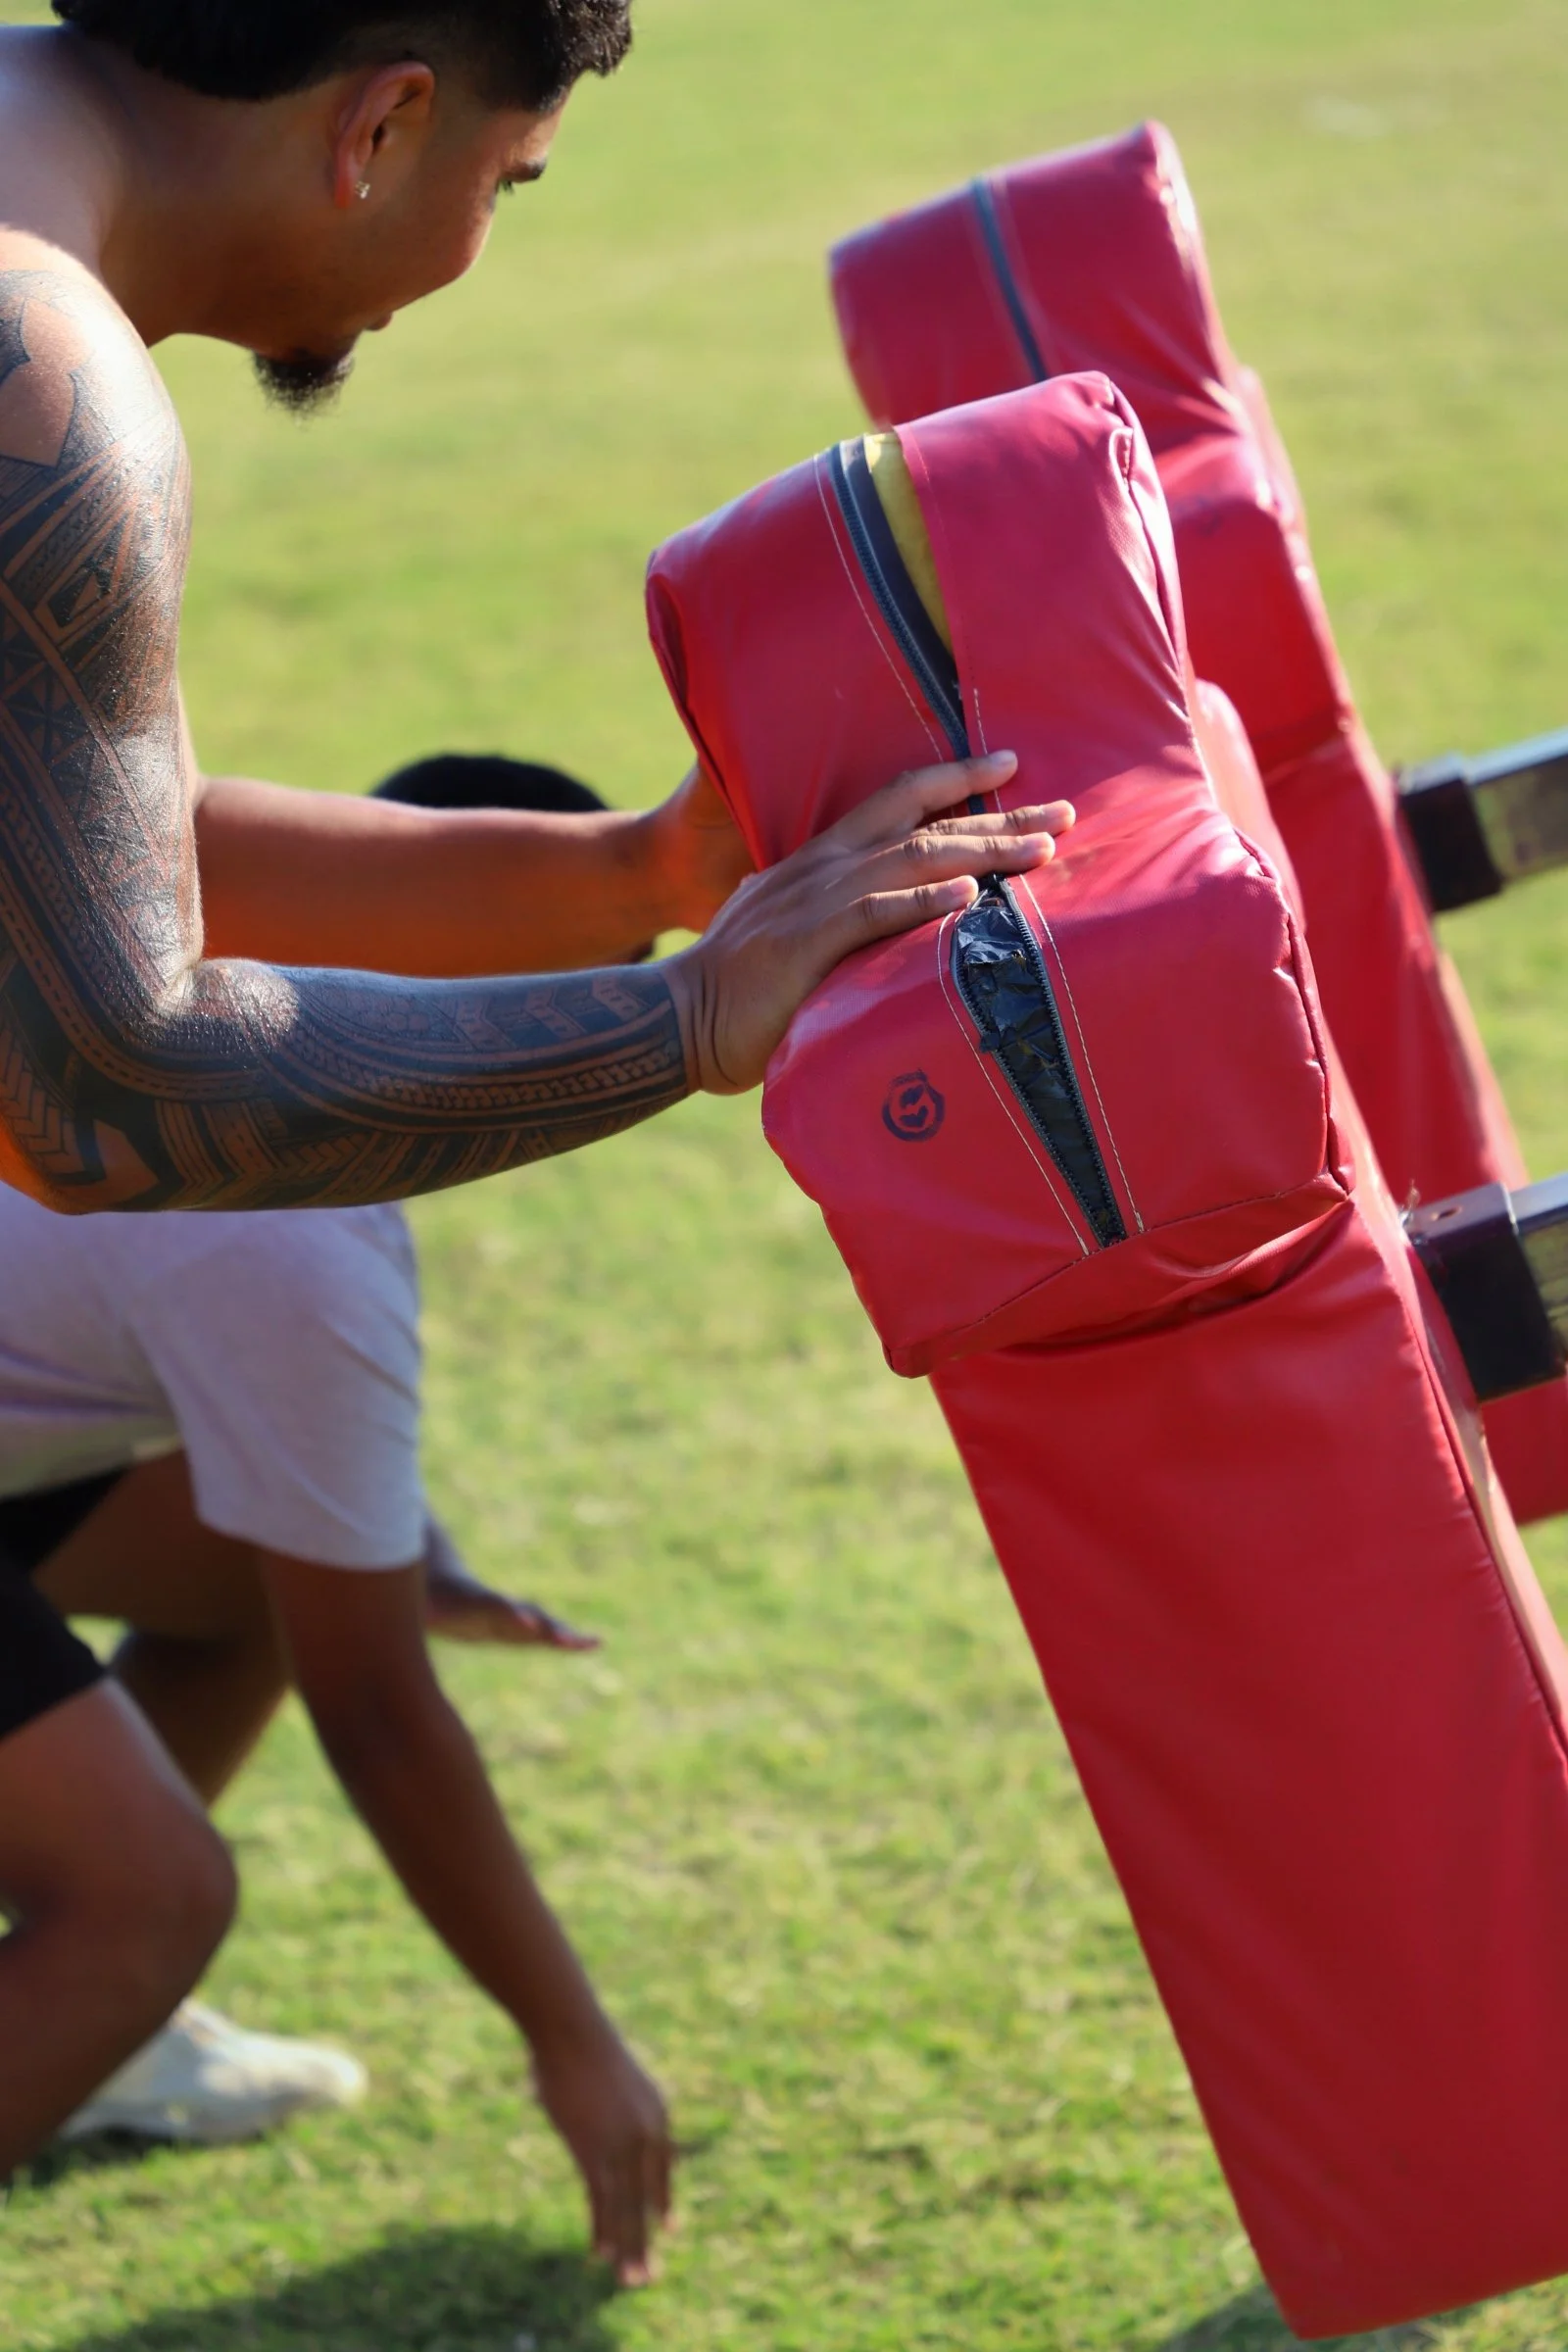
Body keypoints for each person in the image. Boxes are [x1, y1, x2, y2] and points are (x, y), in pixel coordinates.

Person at [0, 0, 1075, 2284]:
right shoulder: (38, 374)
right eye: (505, 184)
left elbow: (96, 848)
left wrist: (636, 873)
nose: (457, 251)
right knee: (138, 1889)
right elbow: (112, 1085)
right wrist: (682, 1015)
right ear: (384, 122)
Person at [0, 759, 635, 2167]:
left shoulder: (142, 948)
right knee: (147, 1904)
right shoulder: (286, 1207)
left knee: (245, 1590)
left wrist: (402, 1555)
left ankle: (75, 2014)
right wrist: (573, 2039)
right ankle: (84, 1973)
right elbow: (382, 1719)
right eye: (576, 1026)